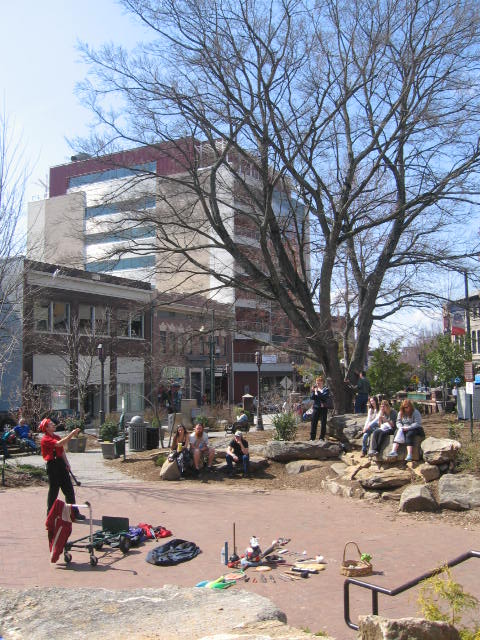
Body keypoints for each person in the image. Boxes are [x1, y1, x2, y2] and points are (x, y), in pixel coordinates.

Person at [39, 418, 86, 519]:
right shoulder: (45, 439)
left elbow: (62, 451)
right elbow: (59, 444)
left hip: (61, 464)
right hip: (53, 466)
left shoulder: (56, 436)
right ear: (46, 428)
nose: (54, 425)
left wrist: (67, 463)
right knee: (53, 492)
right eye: (51, 424)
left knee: (69, 490)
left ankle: (73, 513)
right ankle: (50, 514)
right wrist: (71, 434)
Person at [310, 375, 330, 440]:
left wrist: (317, 392)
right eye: (317, 382)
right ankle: (312, 438)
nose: (317, 383)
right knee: (313, 423)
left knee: (323, 423)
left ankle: (321, 437)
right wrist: (313, 391)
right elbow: (312, 397)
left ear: (322, 382)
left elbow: (324, 397)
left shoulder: (326, 389)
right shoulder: (315, 390)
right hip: (316, 407)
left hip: (323, 408)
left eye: (319, 382)